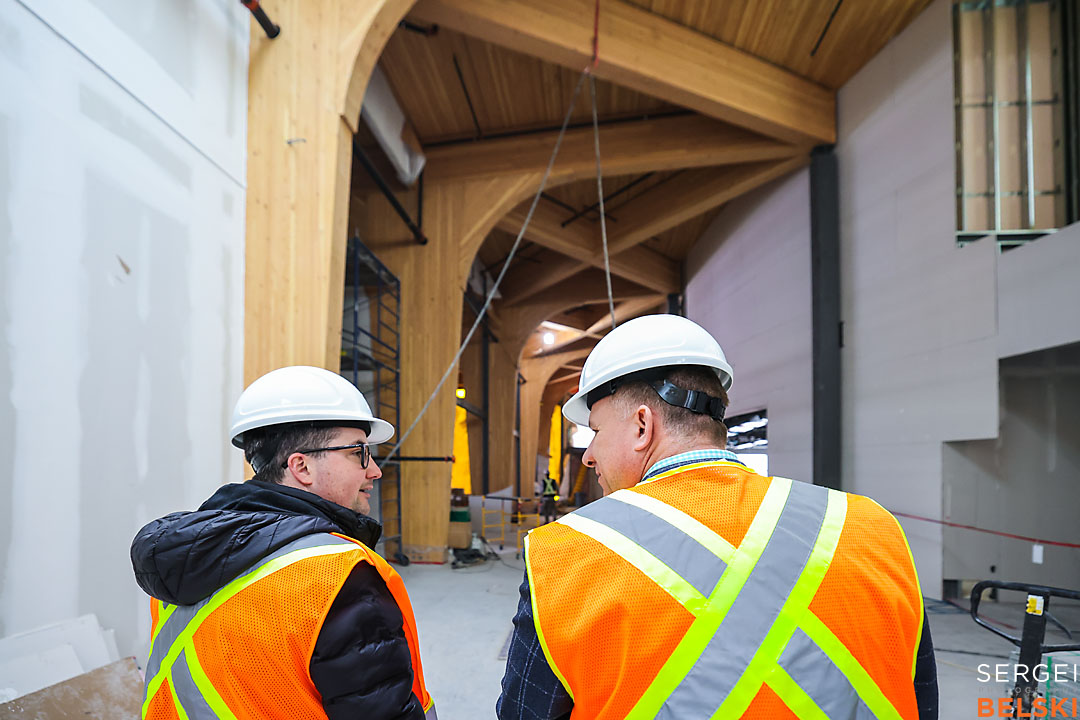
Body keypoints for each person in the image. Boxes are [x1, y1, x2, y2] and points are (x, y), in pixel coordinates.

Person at [497, 314, 937, 719]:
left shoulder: (563, 554)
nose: (589, 455)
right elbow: (921, 698)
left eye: (595, 431)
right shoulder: (872, 528)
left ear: (642, 426)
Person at [131, 365, 436, 720]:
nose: (374, 471)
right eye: (359, 453)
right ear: (301, 467)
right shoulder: (337, 574)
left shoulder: (191, 555)